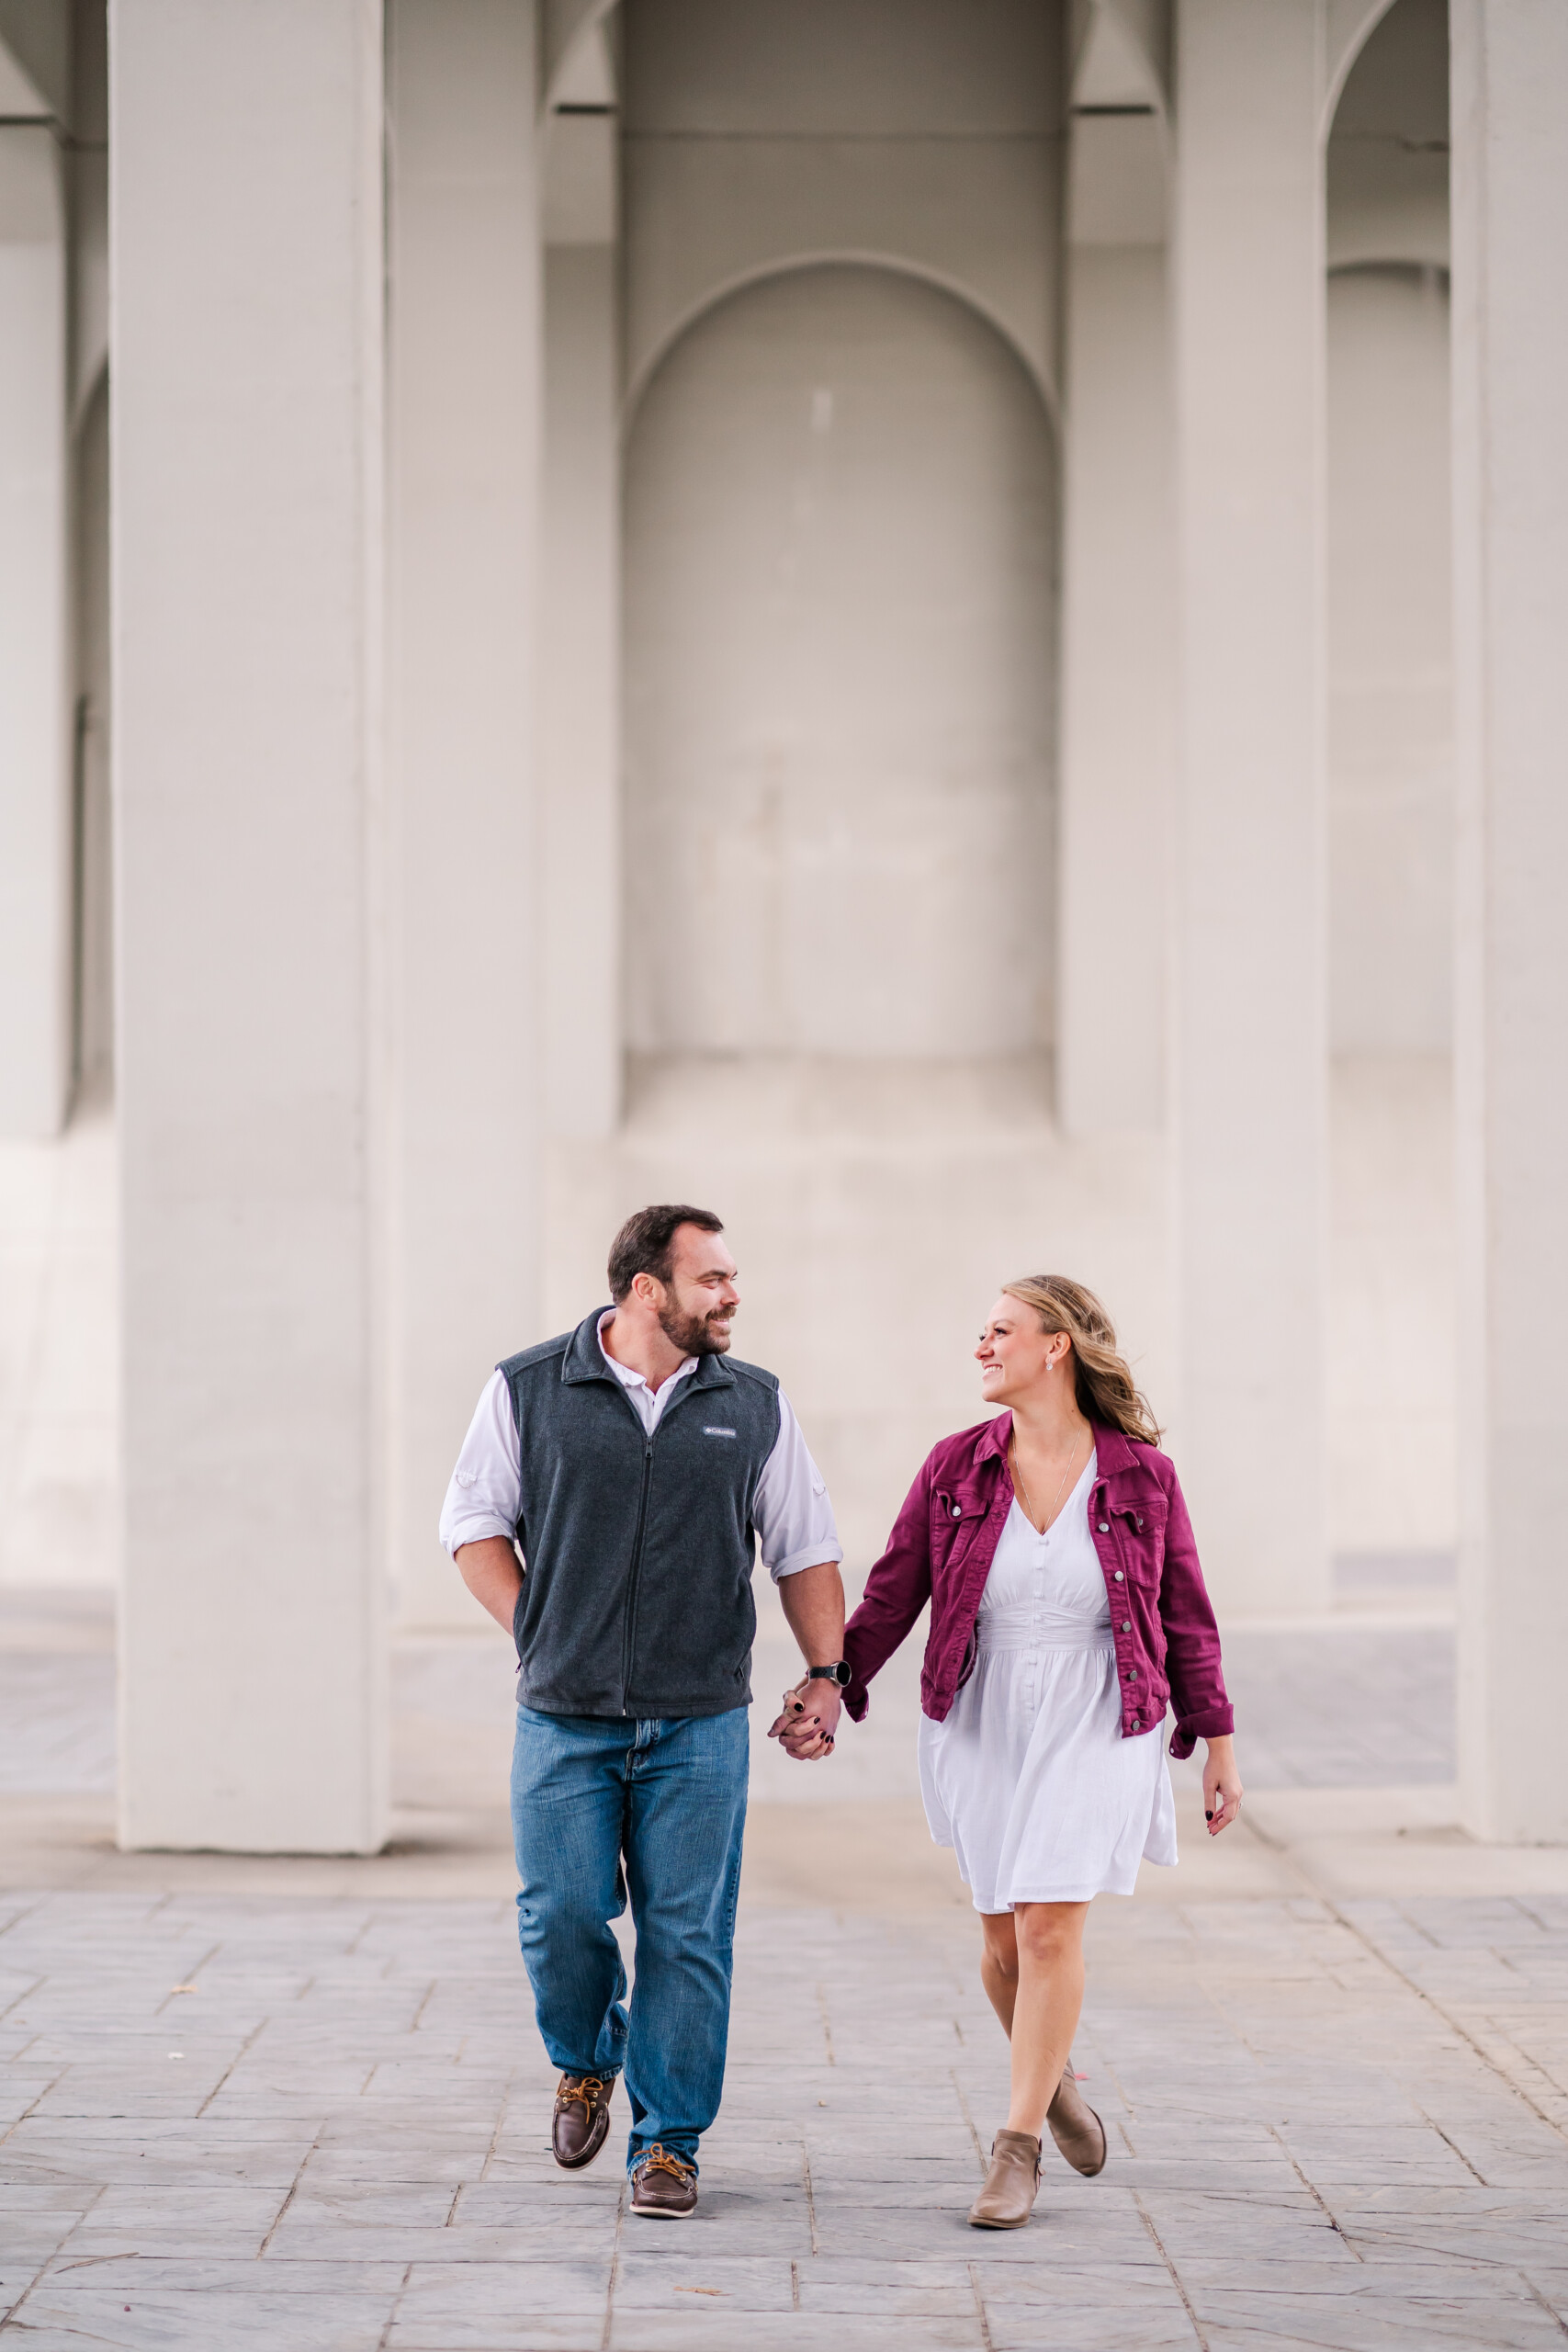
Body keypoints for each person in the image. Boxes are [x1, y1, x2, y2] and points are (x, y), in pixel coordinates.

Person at [439, 1205, 849, 2219]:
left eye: (731, 1276)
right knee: (562, 1912)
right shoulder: (530, 1387)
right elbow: (472, 1523)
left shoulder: (754, 1403)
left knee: (688, 1935)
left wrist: (827, 1674)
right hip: (564, 1717)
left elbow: (803, 1544)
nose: (732, 1293)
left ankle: (667, 2143)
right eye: (711, 1278)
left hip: (700, 1723)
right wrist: (536, 1631)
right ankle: (586, 2061)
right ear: (646, 1289)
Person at [841, 1275, 1241, 2230]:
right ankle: (1053, 2080)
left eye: (1000, 1331)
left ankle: (1014, 2150)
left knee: (1050, 1928)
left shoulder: (1144, 1474)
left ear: (1055, 1345)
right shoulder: (955, 1467)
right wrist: (833, 1679)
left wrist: (1217, 1741)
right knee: (1000, 1945)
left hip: (1102, 1709)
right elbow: (894, 1591)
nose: (982, 1347)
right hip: (982, 1709)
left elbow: (1185, 1612)